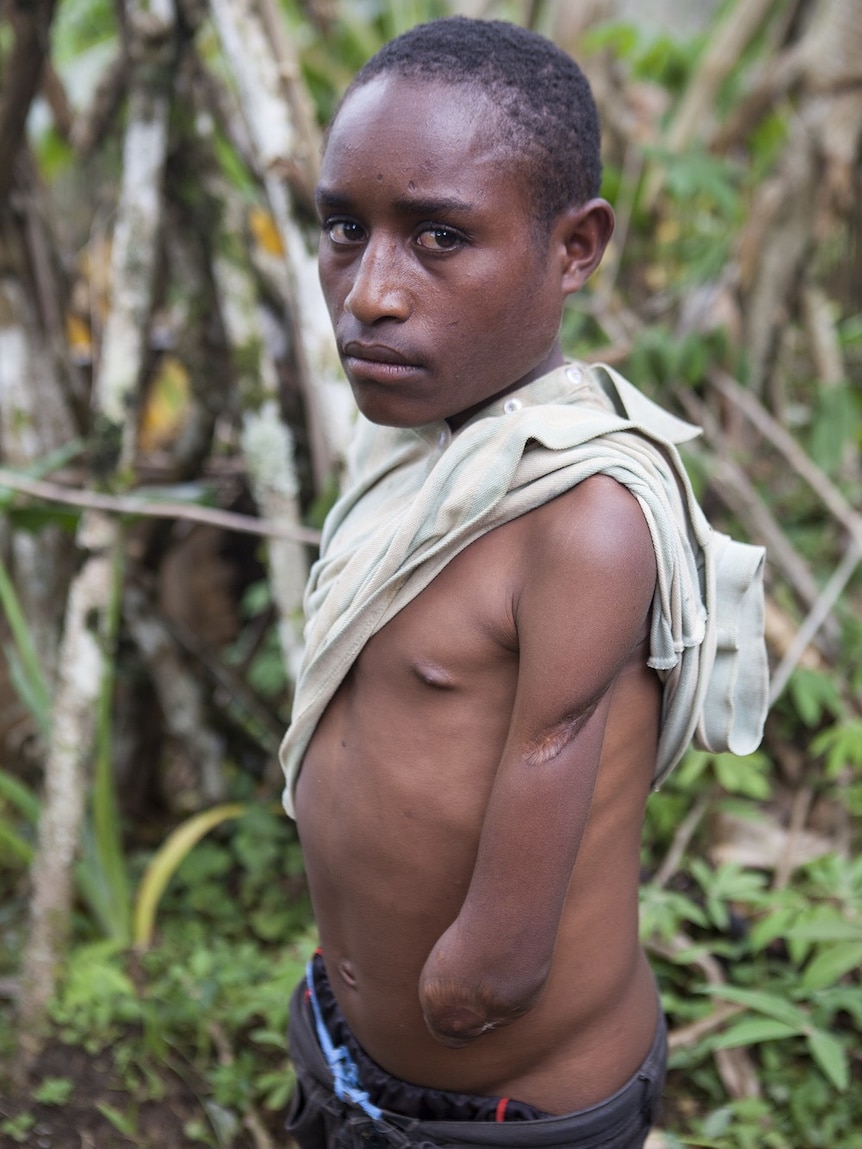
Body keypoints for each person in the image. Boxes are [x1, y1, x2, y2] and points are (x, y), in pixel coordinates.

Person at [278, 16, 768, 1149]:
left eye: (439, 237)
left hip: (507, 1101)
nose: (369, 293)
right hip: (351, 1052)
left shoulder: (579, 516)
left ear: (575, 247)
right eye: (344, 228)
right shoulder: (425, 458)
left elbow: (551, 768)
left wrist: (464, 990)